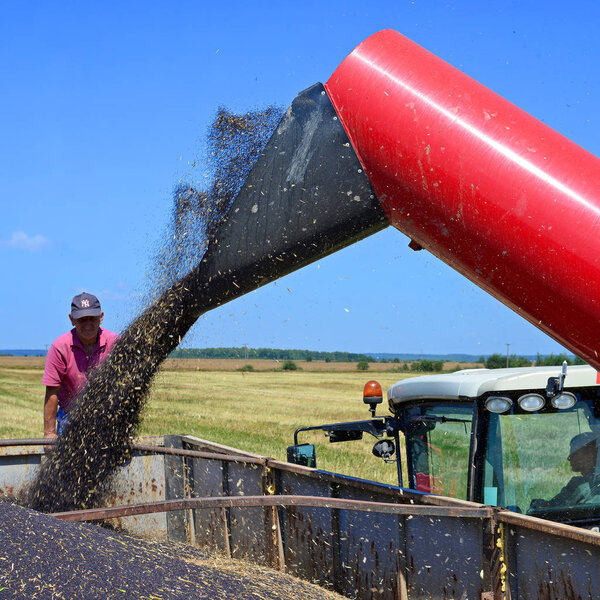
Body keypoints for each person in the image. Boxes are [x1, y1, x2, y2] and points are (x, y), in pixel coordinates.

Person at [42, 292, 119, 446]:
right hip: (71, 415)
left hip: (107, 414)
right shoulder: (60, 347)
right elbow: (52, 393)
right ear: (72, 319)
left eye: (92, 318)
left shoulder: (115, 343)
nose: (88, 324)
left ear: (101, 317)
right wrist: (50, 434)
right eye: (82, 319)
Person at [532, 432, 600, 509]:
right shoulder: (591, 483)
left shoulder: (578, 485)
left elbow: (553, 507)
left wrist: (538, 505)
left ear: (589, 456)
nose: (569, 458)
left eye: (574, 452)